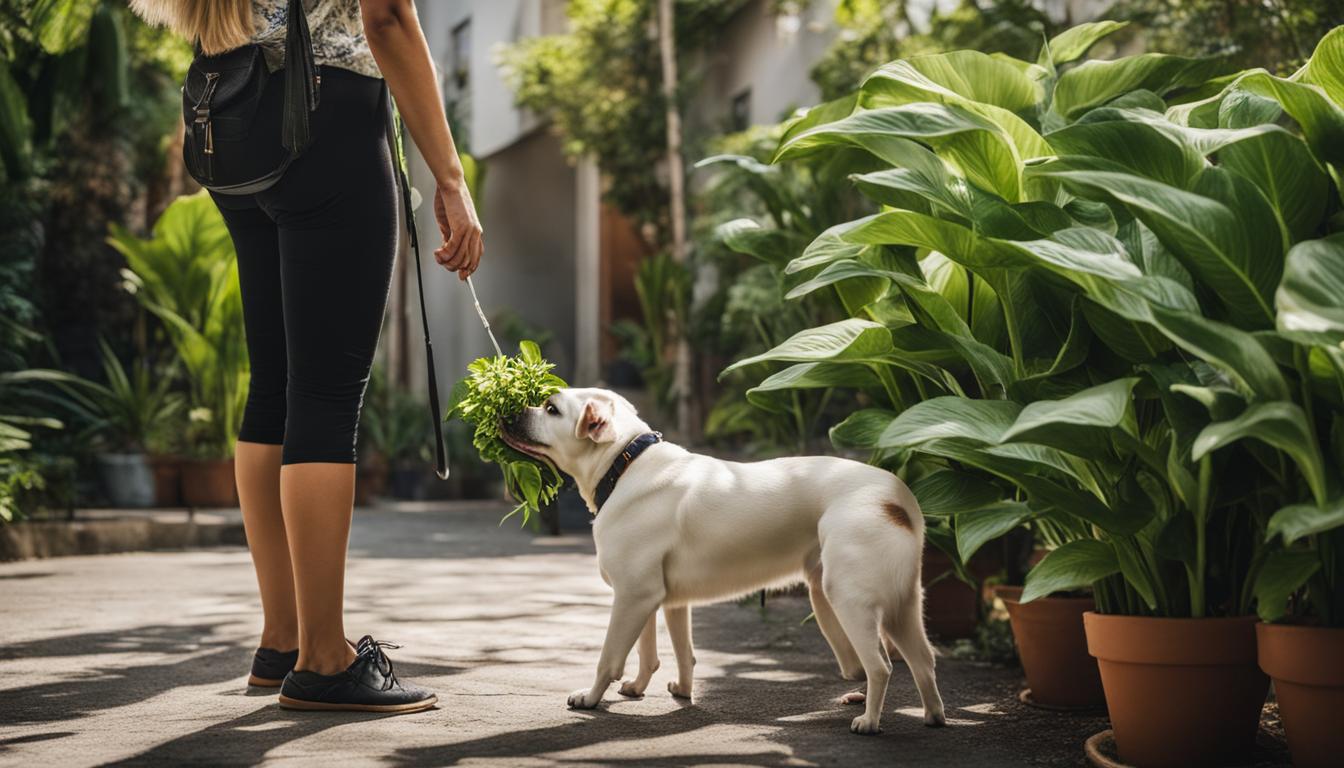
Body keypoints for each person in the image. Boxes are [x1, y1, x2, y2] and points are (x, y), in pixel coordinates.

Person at [129, 0, 482, 713]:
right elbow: (385, 20)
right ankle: (324, 658)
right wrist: (450, 177)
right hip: (329, 120)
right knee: (325, 392)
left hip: (234, 120)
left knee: (276, 387)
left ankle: (282, 640)